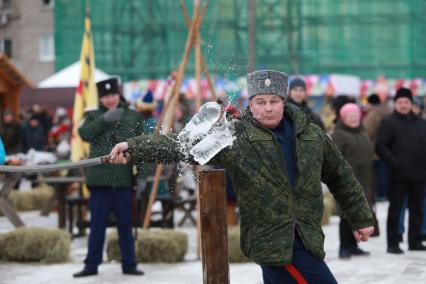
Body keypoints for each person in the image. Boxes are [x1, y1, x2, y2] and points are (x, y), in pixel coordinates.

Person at [109, 70, 374, 283]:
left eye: (274, 101)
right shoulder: (234, 137)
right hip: (269, 239)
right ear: (250, 104)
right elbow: (182, 145)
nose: (268, 108)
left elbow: (341, 177)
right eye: (261, 102)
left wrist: (360, 217)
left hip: (307, 234)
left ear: (284, 102)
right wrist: (134, 148)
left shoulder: (311, 135)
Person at [73, 78, 145, 277]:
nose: (110, 100)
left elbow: (143, 149)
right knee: (97, 225)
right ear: (100, 98)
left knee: (125, 224)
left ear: (119, 94)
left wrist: (142, 176)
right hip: (99, 180)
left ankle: (129, 264)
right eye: (105, 96)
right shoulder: (92, 115)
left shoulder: (133, 116)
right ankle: (91, 265)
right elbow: (84, 134)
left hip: (123, 179)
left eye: (113, 95)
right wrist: (104, 119)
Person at [376, 88, 426, 254]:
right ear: (395, 104)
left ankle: (415, 239)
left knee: (417, 208)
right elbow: (381, 146)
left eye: (406, 102)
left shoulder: (420, 122)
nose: (403, 105)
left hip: (419, 173)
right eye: (400, 102)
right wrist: (395, 164)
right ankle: (393, 243)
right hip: (398, 175)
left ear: (411, 104)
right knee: (396, 209)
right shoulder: (388, 122)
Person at [332, 103, 374, 259]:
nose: (354, 119)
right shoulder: (339, 134)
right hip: (346, 182)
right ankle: (344, 247)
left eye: (356, 116)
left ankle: (353, 246)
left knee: (357, 214)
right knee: (345, 215)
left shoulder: (361, 132)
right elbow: (334, 159)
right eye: (350, 116)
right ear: (343, 118)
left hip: (364, 181)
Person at [362, 94, 392, 201]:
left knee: (379, 174)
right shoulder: (390, 111)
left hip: (376, 151)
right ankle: (387, 193)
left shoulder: (372, 115)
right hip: (391, 150)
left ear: (371, 103)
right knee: (387, 172)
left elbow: (366, 133)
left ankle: (381, 194)